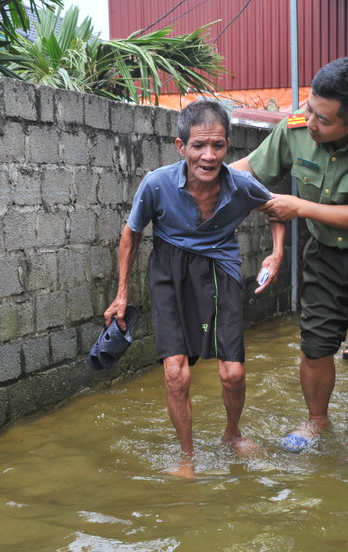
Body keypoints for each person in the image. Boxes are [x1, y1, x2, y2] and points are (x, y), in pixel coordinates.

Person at [231, 57, 348, 465]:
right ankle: (318, 421)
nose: (310, 122)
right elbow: (248, 171)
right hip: (325, 254)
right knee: (314, 347)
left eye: (324, 119)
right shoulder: (297, 125)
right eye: (310, 107)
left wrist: (298, 206)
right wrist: (192, 180)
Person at [104, 101, 285, 477]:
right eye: (199, 146)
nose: (208, 156)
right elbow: (131, 234)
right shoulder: (156, 183)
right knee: (175, 372)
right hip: (169, 270)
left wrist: (277, 253)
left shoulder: (240, 185)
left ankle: (232, 434)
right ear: (180, 146)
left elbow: (275, 209)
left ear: (227, 145)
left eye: (218, 146)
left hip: (221, 270)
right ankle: (187, 458)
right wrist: (121, 295)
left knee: (232, 373)